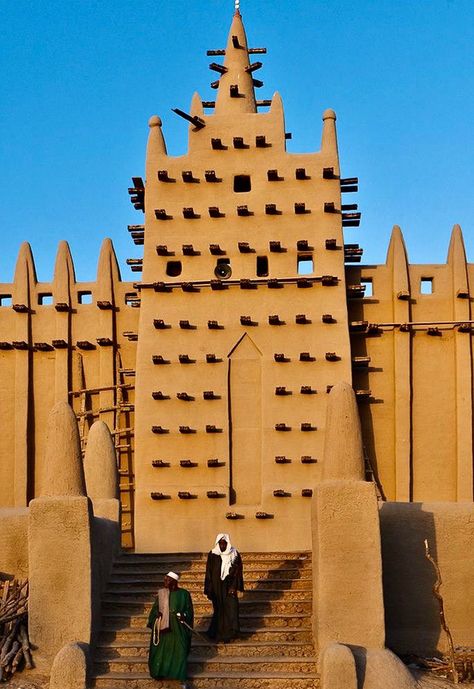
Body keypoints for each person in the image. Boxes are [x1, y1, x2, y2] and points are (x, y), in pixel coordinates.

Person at [147, 571, 193, 685]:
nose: (165, 582)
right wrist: (156, 615)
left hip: (178, 627)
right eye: (165, 580)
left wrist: (184, 615)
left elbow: (189, 611)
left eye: (168, 580)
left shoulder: (184, 594)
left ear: (174, 581)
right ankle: (159, 672)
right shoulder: (162, 594)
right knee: (160, 651)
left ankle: (180, 676)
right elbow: (154, 610)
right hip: (163, 627)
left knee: (181, 649)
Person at [204, 533, 244, 642]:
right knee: (219, 609)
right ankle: (218, 634)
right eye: (220, 543)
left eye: (224, 543)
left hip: (229, 586)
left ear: (228, 543)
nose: (222, 546)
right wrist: (209, 588)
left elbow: (237, 572)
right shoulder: (212, 554)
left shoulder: (235, 554)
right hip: (216, 586)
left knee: (231, 608)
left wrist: (234, 587)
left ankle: (231, 633)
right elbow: (209, 572)